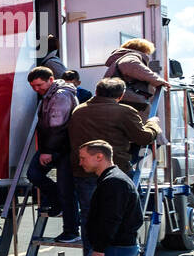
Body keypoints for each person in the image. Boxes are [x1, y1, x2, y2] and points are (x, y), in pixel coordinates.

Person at [67, 76, 161, 228]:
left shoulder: (78, 110)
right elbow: (143, 138)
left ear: (96, 92)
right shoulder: (124, 111)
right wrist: (153, 124)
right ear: (121, 95)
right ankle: (117, 250)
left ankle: (92, 251)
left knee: (89, 215)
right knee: (121, 214)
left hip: (83, 170)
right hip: (116, 170)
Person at [26, 66, 80, 244]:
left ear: (50, 80)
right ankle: (58, 203)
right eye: (33, 86)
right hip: (57, 146)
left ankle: (71, 231)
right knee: (36, 175)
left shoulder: (60, 96)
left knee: (66, 189)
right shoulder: (51, 94)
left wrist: (47, 151)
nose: (36, 89)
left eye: (39, 85)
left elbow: (56, 126)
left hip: (63, 148)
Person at [105, 38, 170, 115]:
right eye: (147, 52)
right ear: (143, 50)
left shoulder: (121, 58)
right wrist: (158, 81)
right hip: (128, 103)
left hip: (118, 101)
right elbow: (131, 65)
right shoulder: (131, 57)